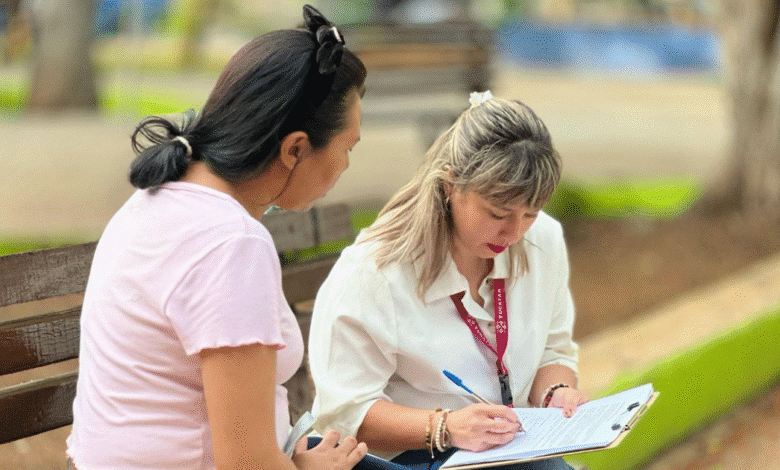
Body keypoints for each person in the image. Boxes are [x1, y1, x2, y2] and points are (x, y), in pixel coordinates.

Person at [65, 5, 368, 470]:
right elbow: (245, 465)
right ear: (295, 148)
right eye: (348, 148)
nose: (347, 165)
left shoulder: (163, 195)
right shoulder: (230, 244)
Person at [308, 91, 589, 470]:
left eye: (530, 214)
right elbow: (343, 412)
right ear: (450, 185)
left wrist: (556, 391)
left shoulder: (544, 242)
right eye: (497, 212)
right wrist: (445, 427)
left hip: (507, 452)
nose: (513, 233)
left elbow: (553, 353)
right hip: (408, 460)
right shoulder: (375, 271)